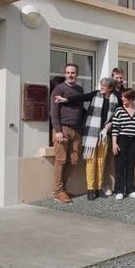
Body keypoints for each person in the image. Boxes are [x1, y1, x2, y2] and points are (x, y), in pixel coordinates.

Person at [55, 77, 119, 201]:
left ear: (110, 88)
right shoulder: (96, 94)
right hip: (91, 133)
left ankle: (98, 188)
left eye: (104, 86)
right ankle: (90, 189)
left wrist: (110, 124)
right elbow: (81, 97)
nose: (101, 88)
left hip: (104, 134)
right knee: (91, 161)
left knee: (101, 161)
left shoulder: (115, 99)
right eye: (101, 85)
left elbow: (117, 115)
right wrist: (66, 99)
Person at [50, 64, 84, 203]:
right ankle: (58, 191)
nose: (70, 75)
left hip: (76, 130)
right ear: (65, 74)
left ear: (77, 74)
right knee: (61, 160)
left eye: (73, 73)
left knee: (74, 160)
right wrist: (58, 131)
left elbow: (80, 106)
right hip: (63, 129)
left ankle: (61, 189)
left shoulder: (79, 90)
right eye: (68, 72)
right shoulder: (59, 89)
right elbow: (54, 112)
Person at [111, 88, 135, 200]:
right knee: (120, 166)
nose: (122, 98)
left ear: (130, 98)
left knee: (130, 166)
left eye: (124, 97)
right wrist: (114, 143)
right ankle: (119, 190)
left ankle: (130, 190)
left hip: (134, 141)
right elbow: (115, 128)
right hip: (121, 140)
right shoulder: (119, 110)